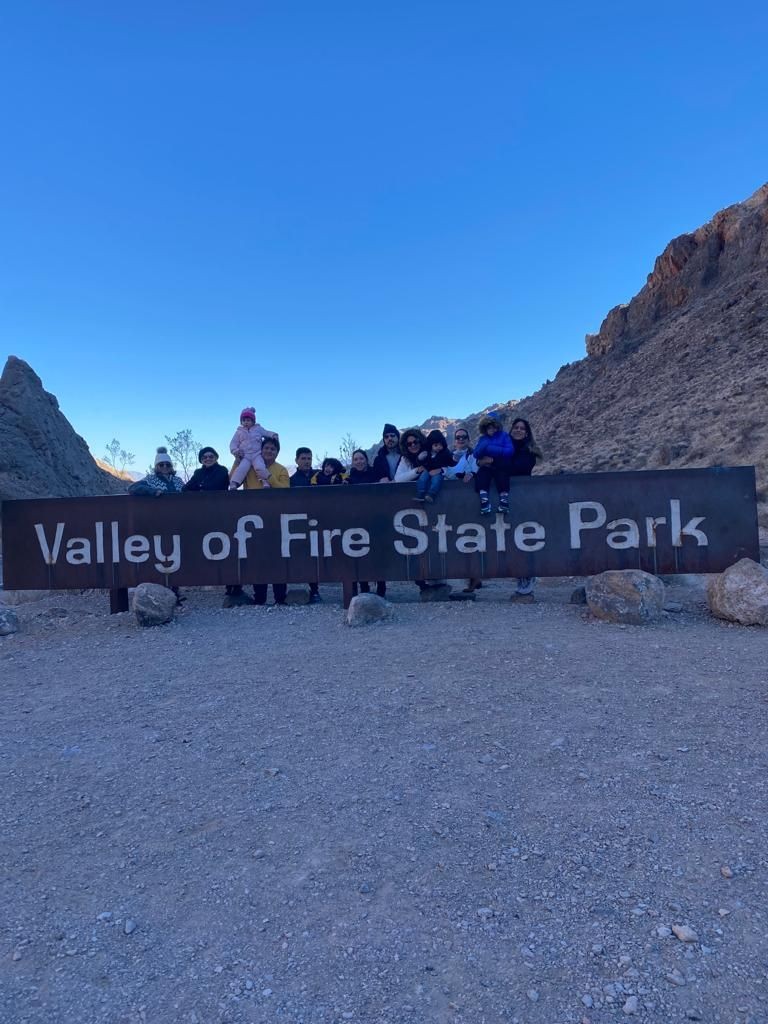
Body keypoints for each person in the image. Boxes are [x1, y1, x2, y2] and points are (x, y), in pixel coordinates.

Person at [128, 447, 185, 604]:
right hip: (159, 523)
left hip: (177, 523)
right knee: (163, 556)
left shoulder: (178, 481)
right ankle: (165, 594)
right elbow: (132, 488)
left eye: (167, 464)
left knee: (176, 557)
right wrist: (153, 491)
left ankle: (175, 592)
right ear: (156, 467)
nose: (165, 467)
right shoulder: (151, 480)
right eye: (161, 465)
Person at [249, 436, 290, 606]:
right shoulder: (250, 468)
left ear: (277, 452)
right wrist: (238, 461)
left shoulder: (281, 470)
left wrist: (270, 478)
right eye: (266, 448)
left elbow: (285, 489)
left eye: (272, 449)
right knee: (257, 558)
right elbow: (233, 478)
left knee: (278, 557)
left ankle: (280, 597)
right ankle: (260, 598)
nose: (269, 451)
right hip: (253, 519)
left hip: (276, 519)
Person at [508, 417, 543, 602]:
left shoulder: (529, 451)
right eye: (516, 427)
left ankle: (527, 578)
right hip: (504, 497)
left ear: (527, 432)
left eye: (522, 428)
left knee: (524, 539)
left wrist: (495, 463)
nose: (519, 430)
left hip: (523, 498)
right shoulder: (503, 447)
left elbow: (517, 467)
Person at [346, 450, 383, 596]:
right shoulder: (350, 477)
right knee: (359, 554)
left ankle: (381, 588)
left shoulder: (375, 473)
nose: (359, 461)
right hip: (357, 520)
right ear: (353, 462)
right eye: (356, 459)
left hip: (375, 519)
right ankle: (364, 587)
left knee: (377, 554)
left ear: (366, 460)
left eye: (361, 458)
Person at [290, 447, 320, 602]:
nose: (307, 461)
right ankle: (311, 589)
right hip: (301, 523)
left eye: (309, 458)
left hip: (321, 520)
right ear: (297, 460)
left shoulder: (319, 475)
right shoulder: (292, 480)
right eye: (303, 458)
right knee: (307, 557)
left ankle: (316, 590)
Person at [229, 406, 279, 491]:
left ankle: (265, 481)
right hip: (245, 455)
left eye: (248, 420)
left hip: (257, 454)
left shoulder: (258, 429)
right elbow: (233, 443)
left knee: (260, 466)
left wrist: (273, 434)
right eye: (244, 420)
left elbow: (266, 432)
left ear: (253, 421)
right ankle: (234, 483)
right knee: (242, 468)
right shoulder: (239, 432)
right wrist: (235, 451)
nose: (246, 422)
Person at [473, 412, 514, 515]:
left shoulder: (504, 436)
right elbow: (476, 453)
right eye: (489, 427)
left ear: (498, 426)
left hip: (501, 464)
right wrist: (485, 446)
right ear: (485, 428)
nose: (492, 430)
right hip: (486, 465)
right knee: (481, 476)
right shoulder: (483, 439)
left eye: (494, 427)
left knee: (502, 477)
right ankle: (484, 501)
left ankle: (504, 502)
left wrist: (490, 449)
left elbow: (510, 451)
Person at [414, 429, 454, 503]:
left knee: (436, 480)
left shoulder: (445, 453)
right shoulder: (426, 452)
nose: (439, 447)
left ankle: (431, 494)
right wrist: (419, 458)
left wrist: (441, 470)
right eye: (436, 445)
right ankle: (420, 493)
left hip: (438, 471)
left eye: (440, 445)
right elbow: (420, 462)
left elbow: (450, 463)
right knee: (422, 478)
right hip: (427, 469)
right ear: (431, 444)